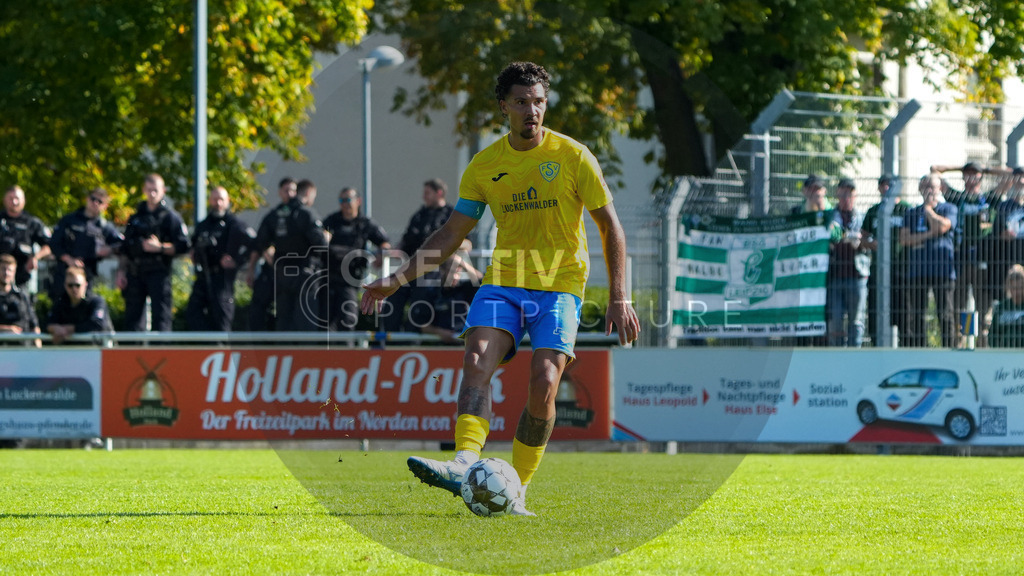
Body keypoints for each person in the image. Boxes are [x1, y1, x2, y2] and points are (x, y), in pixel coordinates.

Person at [361, 61, 641, 516]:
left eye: (539, 102)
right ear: (503, 107)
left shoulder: (573, 156)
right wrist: (396, 280)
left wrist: (618, 296)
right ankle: (463, 461)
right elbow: (451, 234)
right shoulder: (485, 165)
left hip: (560, 286)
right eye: (522, 102)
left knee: (545, 382)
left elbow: (611, 227)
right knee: (476, 359)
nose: (532, 111)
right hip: (504, 282)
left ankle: (518, 488)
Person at [931, 162, 1013, 347]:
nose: (971, 177)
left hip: (984, 259)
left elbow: (1009, 176)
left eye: (975, 174)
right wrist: (959, 168)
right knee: (960, 305)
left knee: (984, 306)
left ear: (980, 176)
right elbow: (934, 171)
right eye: (968, 174)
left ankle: (983, 343)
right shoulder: (957, 197)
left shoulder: (988, 198)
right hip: (960, 259)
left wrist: (985, 169)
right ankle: (963, 342)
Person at [248, 178, 327, 331]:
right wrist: (327, 238)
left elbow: (260, 243)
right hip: (305, 274)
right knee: (305, 322)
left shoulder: (274, 215)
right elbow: (321, 245)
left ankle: (285, 347)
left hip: (283, 274)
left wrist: (262, 261)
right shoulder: (306, 213)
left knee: (285, 321)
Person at [116, 173, 190, 332]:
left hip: (159, 272)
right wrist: (121, 271)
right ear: (144, 190)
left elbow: (183, 246)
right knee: (132, 319)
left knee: (161, 317)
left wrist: (160, 247)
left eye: (156, 190)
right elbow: (125, 249)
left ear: (163, 190)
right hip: (135, 272)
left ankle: (161, 347)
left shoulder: (170, 217)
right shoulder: (135, 218)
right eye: (149, 190)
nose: (152, 194)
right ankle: (133, 348)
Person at [381, 178, 455, 332]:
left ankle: (413, 339)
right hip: (412, 267)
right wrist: (394, 251)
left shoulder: (451, 214)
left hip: (435, 269)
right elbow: (406, 240)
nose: (424, 197)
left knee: (419, 306)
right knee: (393, 301)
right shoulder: (420, 215)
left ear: (439, 193)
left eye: (427, 193)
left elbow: (466, 243)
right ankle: (391, 340)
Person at [899, 174, 958, 347]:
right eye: (925, 186)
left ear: (940, 189)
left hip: (942, 270)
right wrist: (930, 234)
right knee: (917, 314)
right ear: (919, 189)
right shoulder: (911, 213)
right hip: (918, 271)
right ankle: (920, 350)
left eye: (932, 186)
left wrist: (929, 211)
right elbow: (904, 239)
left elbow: (942, 227)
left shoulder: (949, 208)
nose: (929, 190)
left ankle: (948, 349)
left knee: (945, 313)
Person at [185, 186, 255, 332]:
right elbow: (193, 245)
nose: (218, 203)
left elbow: (254, 244)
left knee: (222, 319)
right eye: (215, 199)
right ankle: (205, 342)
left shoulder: (234, 224)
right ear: (210, 200)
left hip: (222, 279)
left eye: (221, 199)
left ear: (227, 201)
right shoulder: (203, 225)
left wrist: (237, 261)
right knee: (193, 313)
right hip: (204, 276)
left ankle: (220, 344)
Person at [321, 187, 391, 331]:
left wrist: (381, 254)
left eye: (348, 200)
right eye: (341, 200)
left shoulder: (365, 223)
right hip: (329, 278)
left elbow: (384, 243)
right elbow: (321, 237)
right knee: (325, 322)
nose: (344, 204)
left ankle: (348, 346)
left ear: (358, 201)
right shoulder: (332, 220)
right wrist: (324, 237)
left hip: (350, 279)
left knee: (348, 319)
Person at [48, 187, 124, 302]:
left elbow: (121, 244)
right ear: (87, 199)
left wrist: (109, 249)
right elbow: (54, 243)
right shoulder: (69, 220)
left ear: (105, 206)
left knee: (84, 306)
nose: (95, 203)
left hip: (87, 273)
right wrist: (68, 259)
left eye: (100, 201)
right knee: (59, 306)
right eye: (93, 199)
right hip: (64, 272)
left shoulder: (104, 227)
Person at [862, 175, 911, 345]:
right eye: (883, 185)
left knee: (903, 312)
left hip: (901, 269)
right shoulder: (874, 211)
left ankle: (905, 348)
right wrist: (871, 244)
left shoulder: (906, 209)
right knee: (876, 311)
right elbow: (863, 236)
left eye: (890, 185)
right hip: (878, 269)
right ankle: (877, 346)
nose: (886, 188)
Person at [247, 178, 297, 331]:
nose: (289, 194)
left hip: (295, 272)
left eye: (292, 190)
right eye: (286, 190)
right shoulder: (273, 217)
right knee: (258, 308)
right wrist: (251, 270)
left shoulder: (303, 215)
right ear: (280, 192)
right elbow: (259, 244)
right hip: (273, 270)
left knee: (290, 313)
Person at [410, 239, 484, 344]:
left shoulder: (464, 289)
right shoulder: (431, 293)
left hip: (462, 344)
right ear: (442, 271)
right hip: (439, 346)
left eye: (458, 272)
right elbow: (421, 325)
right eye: (451, 272)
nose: (455, 276)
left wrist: (461, 262)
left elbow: (482, 280)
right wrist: (439, 332)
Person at [826, 178, 870, 347]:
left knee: (856, 320)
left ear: (855, 196)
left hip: (857, 276)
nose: (846, 198)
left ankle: (854, 354)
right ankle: (837, 354)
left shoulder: (862, 217)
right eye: (843, 193)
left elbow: (871, 241)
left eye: (850, 194)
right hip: (835, 276)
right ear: (837, 194)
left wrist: (860, 242)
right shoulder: (830, 216)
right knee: (835, 319)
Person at [0, 185, 52, 291]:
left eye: (17, 198)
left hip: (22, 279)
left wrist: (36, 257)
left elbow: (49, 246)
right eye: (10, 198)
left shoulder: (32, 222)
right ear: (4, 200)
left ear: (24, 201)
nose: (14, 202)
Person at [45, 266, 113, 344]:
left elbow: (98, 324)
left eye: (78, 285)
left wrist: (70, 329)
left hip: (97, 349)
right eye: (70, 285)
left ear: (85, 285)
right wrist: (54, 329)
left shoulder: (96, 302)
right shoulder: (61, 303)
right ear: (65, 286)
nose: (74, 289)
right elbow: (47, 323)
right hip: (71, 350)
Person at [0, 254, 41, 347]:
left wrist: (39, 350)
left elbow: (34, 324)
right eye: (3, 269)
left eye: (9, 270)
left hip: (23, 349)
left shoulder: (22, 296)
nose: (6, 273)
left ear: (14, 272)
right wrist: (6, 329)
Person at [990, 264, 1024, 348]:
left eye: (1020, 288)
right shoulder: (1001, 307)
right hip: (1005, 352)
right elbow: (992, 335)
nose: (1017, 292)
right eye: (1014, 288)